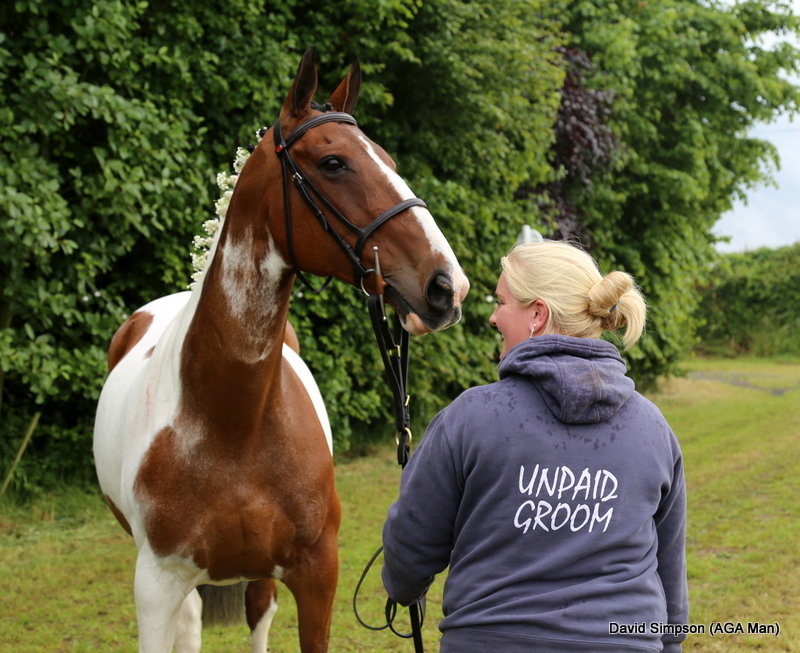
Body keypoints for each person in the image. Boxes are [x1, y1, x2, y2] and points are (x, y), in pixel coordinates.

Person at [382, 239, 688, 652]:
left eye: (501, 301)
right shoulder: (653, 429)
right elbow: (669, 570)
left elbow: (412, 548)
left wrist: (403, 587)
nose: (492, 317)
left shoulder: (470, 417)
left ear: (537, 315)